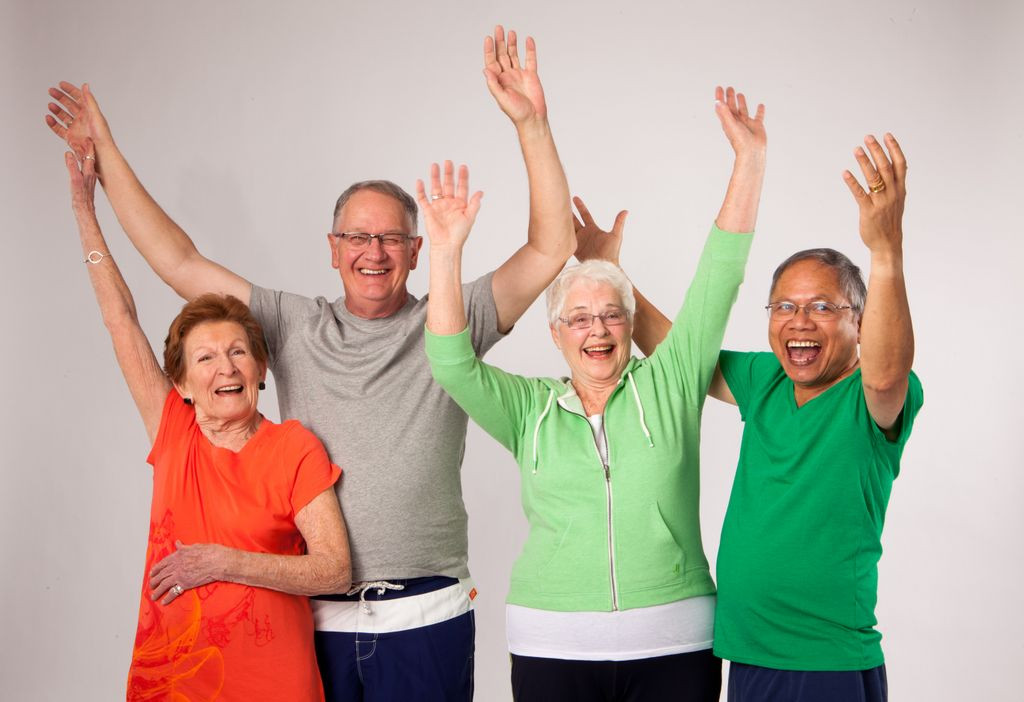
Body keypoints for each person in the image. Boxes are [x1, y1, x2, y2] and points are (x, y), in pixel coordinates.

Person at [46, 25, 575, 701]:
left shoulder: (452, 316)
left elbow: (551, 246)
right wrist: (107, 153)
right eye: (358, 236)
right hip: (313, 623)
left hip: (426, 614)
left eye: (391, 238)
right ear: (333, 248)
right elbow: (179, 262)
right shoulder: (294, 324)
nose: (374, 252)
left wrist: (531, 124)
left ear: (417, 250)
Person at [423, 86, 766, 701]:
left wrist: (748, 163)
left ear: (631, 328)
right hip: (552, 640)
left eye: (611, 314)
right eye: (578, 318)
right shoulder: (529, 409)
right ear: (556, 335)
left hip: (675, 638)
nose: (597, 329)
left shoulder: (670, 382)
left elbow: (720, 277)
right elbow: (451, 365)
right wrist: (445, 253)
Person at [630, 133, 922, 702]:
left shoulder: (873, 397)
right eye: (785, 307)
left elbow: (886, 375)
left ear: (859, 321)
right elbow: (679, 355)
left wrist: (885, 251)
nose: (799, 321)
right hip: (750, 653)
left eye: (821, 307)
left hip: (822, 660)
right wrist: (608, 271)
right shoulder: (766, 381)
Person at [62, 138, 351, 701]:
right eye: (206, 358)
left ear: (262, 366)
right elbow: (120, 318)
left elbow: (334, 571)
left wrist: (221, 562)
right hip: (174, 679)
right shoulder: (174, 430)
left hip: (273, 683)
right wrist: (83, 209)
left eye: (239, 351)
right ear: (183, 385)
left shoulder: (295, 449)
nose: (226, 368)